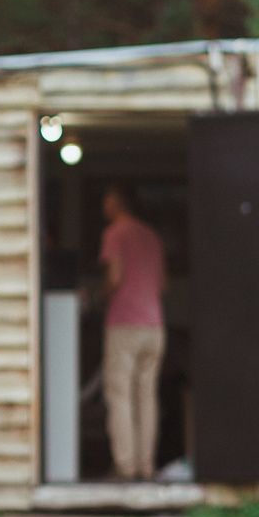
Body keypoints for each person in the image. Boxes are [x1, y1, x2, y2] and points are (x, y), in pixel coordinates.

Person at [95, 183, 167, 481]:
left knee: (120, 394)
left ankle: (126, 466)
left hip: (125, 324)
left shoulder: (114, 234)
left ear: (116, 202)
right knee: (147, 395)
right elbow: (163, 285)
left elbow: (114, 277)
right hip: (155, 326)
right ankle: (146, 465)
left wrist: (100, 297)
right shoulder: (151, 236)